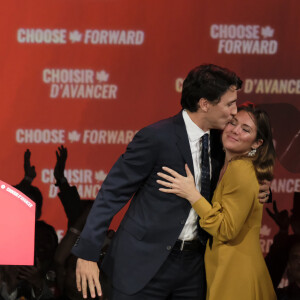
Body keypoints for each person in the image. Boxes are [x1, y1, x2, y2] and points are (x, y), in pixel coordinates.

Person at [72, 64, 271, 300]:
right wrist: (87, 253)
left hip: (194, 268)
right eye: (229, 104)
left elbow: (244, 176)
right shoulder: (157, 137)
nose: (233, 111)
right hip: (143, 265)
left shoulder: (223, 143)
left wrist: (263, 190)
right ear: (205, 104)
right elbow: (111, 193)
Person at [157, 103, 276, 299]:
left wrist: (192, 195)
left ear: (257, 144)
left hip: (235, 275)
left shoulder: (241, 169)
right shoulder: (223, 162)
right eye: (233, 123)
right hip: (222, 268)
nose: (235, 131)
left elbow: (226, 229)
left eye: (245, 129)